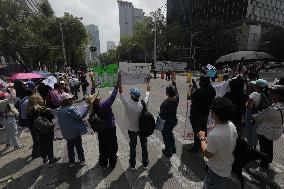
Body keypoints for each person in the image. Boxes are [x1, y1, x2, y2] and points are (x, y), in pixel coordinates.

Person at [197, 97, 238, 189]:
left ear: (214, 114)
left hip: (215, 171)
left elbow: (208, 155)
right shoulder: (232, 125)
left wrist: (202, 138)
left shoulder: (215, 134)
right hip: (225, 167)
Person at [119, 79, 151, 170]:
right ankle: (145, 163)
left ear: (131, 96)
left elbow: (121, 92)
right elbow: (148, 92)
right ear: (138, 96)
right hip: (142, 129)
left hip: (132, 130)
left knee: (132, 146)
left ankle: (132, 164)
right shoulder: (143, 103)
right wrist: (149, 81)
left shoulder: (128, 105)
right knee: (144, 145)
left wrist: (119, 80)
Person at [252, 85, 284, 170]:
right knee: (269, 147)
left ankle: (262, 168)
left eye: (272, 93)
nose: (270, 94)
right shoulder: (281, 106)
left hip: (266, 131)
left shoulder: (273, 109)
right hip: (275, 131)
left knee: (264, 148)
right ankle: (268, 163)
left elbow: (258, 117)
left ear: (278, 96)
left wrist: (252, 116)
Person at [27, 94, 61, 166]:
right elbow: (52, 116)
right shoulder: (44, 109)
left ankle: (44, 159)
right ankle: (51, 159)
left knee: (42, 144)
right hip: (47, 129)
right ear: (38, 101)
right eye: (41, 99)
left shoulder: (30, 110)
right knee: (49, 144)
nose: (42, 100)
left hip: (37, 130)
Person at [57, 93, 90, 168]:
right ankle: (82, 161)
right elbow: (80, 116)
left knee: (70, 147)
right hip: (75, 132)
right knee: (79, 147)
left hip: (66, 133)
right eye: (71, 99)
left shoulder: (59, 110)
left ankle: (71, 162)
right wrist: (88, 108)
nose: (72, 100)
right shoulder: (71, 109)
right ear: (67, 101)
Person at [92, 85, 119, 168]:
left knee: (103, 145)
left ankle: (103, 163)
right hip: (110, 128)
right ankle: (112, 163)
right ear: (97, 100)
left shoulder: (93, 106)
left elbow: (92, 97)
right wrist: (116, 87)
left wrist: (93, 84)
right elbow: (112, 97)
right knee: (112, 146)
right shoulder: (104, 105)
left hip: (101, 130)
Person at [188, 75, 216, 153]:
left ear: (203, 82)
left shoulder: (200, 91)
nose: (199, 82)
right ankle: (203, 145)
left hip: (197, 114)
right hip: (205, 113)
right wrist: (196, 87)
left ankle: (196, 148)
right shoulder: (212, 90)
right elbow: (202, 95)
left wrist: (190, 88)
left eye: (200, 81)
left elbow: (189, 96)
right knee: (203, 129)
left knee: (197, 131)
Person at [245, 79, 271, 148]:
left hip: (251, 114)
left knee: (250, 130)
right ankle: (254, 145)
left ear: (257, 87)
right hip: (259, 113)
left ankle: (249, 146)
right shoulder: (266, 94)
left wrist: (247, 103)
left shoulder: (255, 94)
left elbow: (248, 106)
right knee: (255, 130)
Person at [159, 72, 179, 158]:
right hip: (174, 120)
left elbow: (162, 116)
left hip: (167, 123)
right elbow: (176, 91)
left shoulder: (164, 104)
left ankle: (168, 152)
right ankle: (173, 148)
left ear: (167, 93)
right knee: (170, 134)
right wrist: (173, 81)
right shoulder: (176, 99)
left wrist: (159, 114)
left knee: (166, 137)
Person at [20, 88, 41, 158]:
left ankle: (37, 151)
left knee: (35, 136)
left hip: (26, 120)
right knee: (36, 137)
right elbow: (31, 112)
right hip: (30, 120)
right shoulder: (28, 102)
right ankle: (35, 153)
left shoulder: (22, 100)